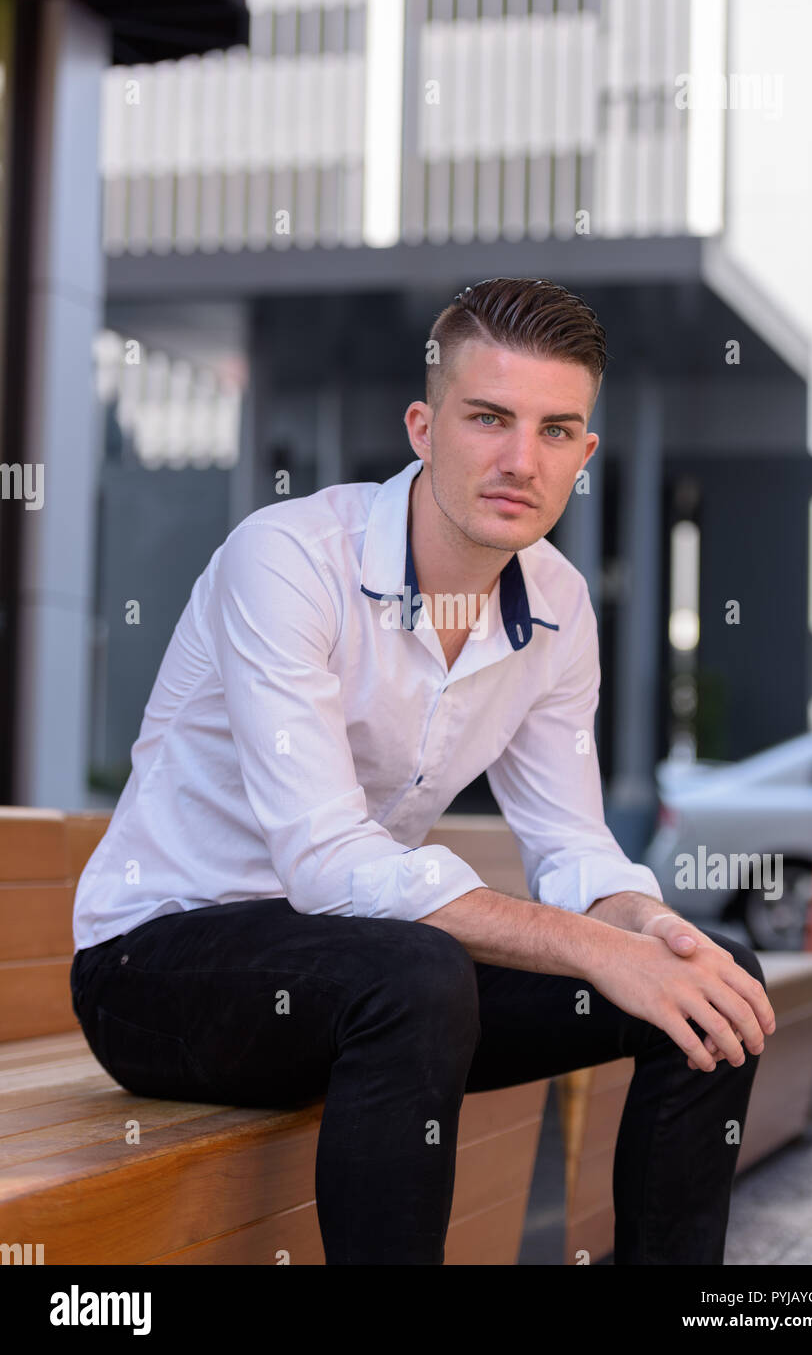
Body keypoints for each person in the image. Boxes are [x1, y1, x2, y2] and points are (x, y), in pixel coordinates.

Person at [70, 276, 774, 1265]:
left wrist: (646, 929)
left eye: (555, 429)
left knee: (716, 985)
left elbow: (572, 843)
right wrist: (588, 949)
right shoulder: (286, 560)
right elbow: (325, 861)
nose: (519, 459)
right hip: (158, 969)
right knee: (417, 972)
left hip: (366, 981)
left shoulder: (560, 607)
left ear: (585, 452)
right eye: (488, 417)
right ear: (423, 425)